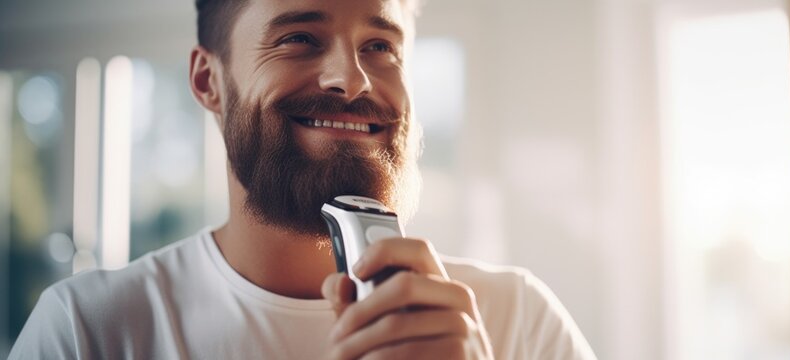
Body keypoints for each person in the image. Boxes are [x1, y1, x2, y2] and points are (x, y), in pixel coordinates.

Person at [10, 0, 596, 358]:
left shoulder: (518, 320)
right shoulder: (87, 331)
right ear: (208, 80)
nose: (353, 79)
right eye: (298, 38)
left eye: (380, 45)